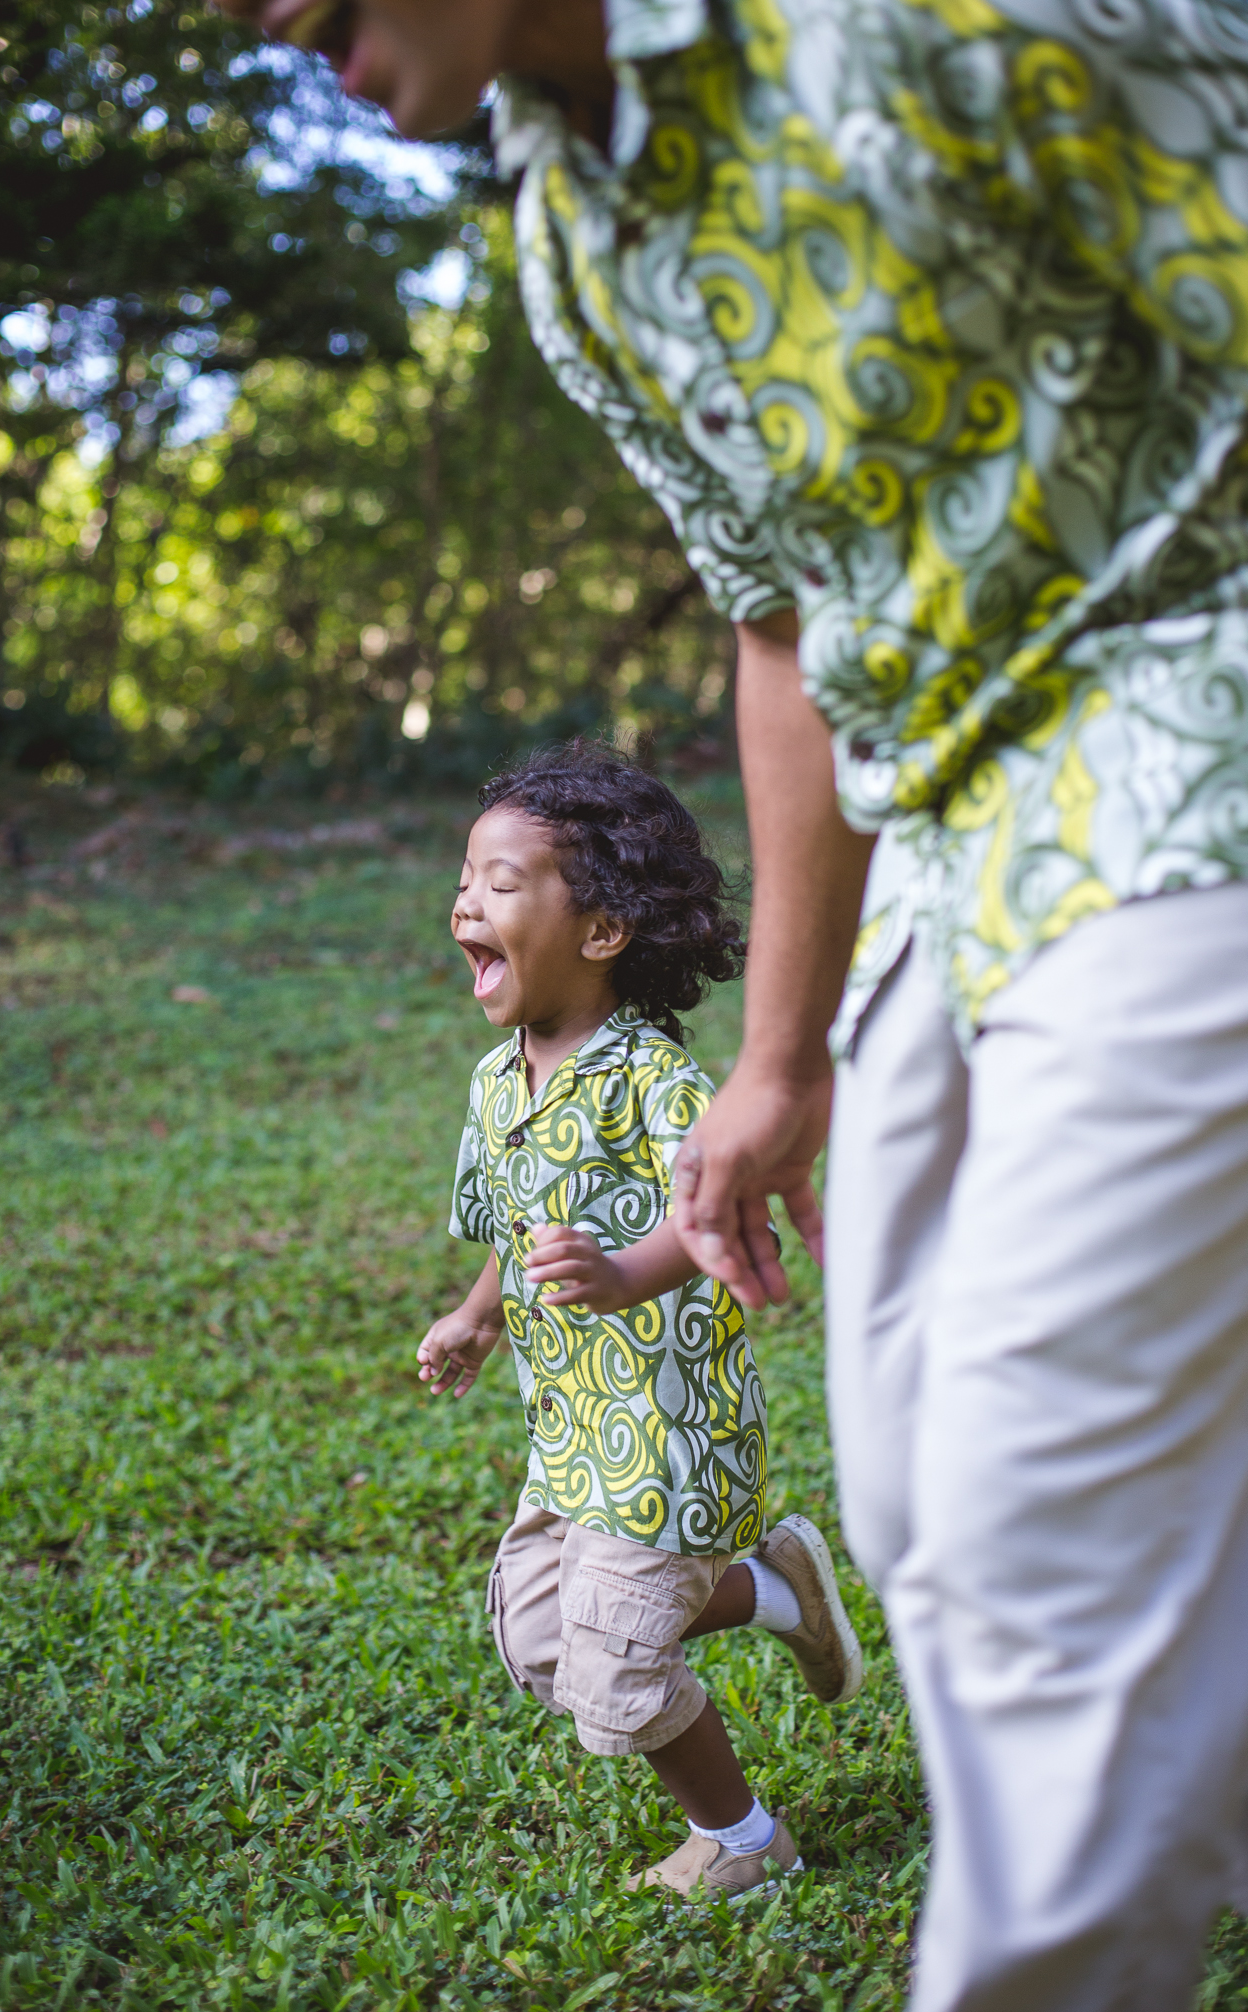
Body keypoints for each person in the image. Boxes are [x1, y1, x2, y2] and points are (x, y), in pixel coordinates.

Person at [192, 0, 1248, 2002]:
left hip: (1217, 793)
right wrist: (778, 1058)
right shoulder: (572, 224)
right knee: (908, 1497)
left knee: (1022, 1551)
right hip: (952, 868)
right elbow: (784, 622)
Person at [416, 743, 863, 1900]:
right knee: (538, 1637)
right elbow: (517, 1235)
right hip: (573, 1433)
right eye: (467, 877)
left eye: (501, 882)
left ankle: (743, 1839)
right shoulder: (495, 1080)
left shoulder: (649, 1081)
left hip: (668, 1431)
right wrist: (476, 1318)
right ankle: (771, 1587)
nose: (466, 900)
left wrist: (624, 1274)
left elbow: (717, 1201)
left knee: (613, 1665)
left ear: (603, 932)